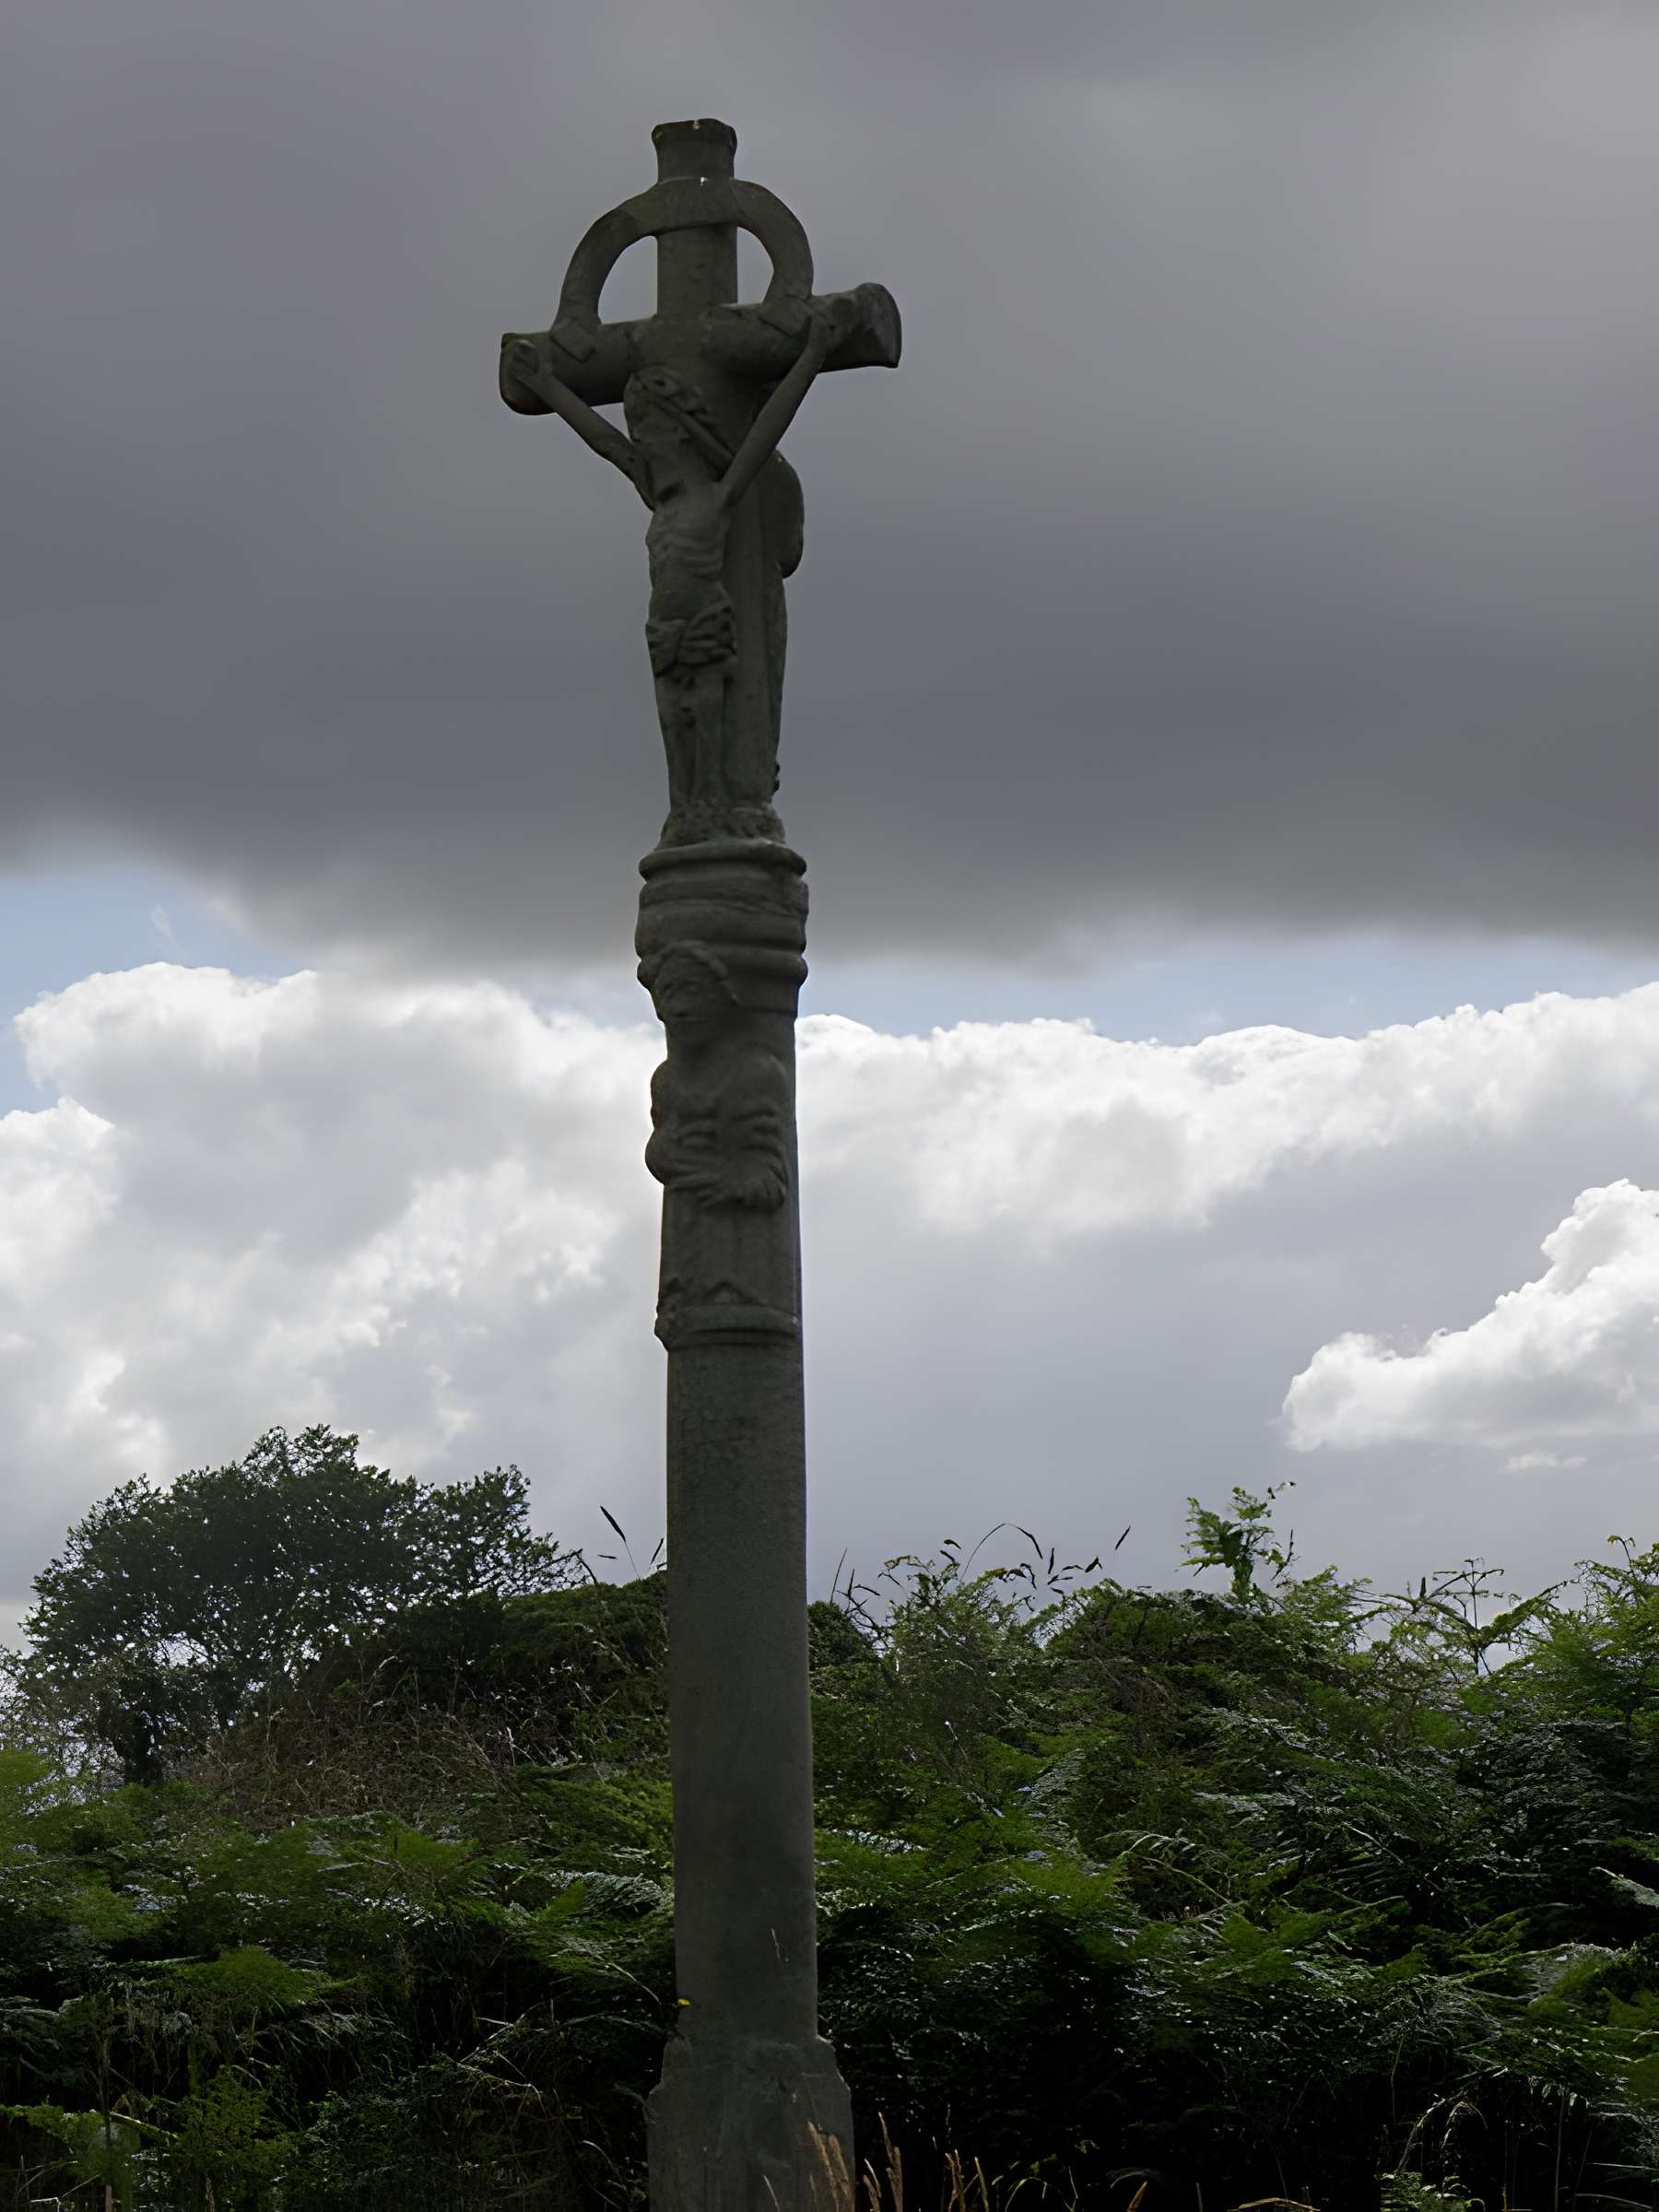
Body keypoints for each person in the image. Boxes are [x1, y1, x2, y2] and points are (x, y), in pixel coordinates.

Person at [502, 296, 853, 840]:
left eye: (655, 434)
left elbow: (767, 432)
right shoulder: (659, 499)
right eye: (641, 436)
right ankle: (684, 807)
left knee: (707, 716)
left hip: (707, 620)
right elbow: (604, 443)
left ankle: (712, 801)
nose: (644, 445)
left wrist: (811, 354)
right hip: (663, 630)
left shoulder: (716, 496)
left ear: (685, 435)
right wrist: (547, 385)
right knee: (672, 720)